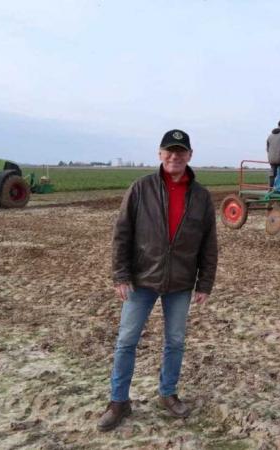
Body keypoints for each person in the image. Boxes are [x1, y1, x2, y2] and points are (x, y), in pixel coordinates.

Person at [98, 129, 218, 432]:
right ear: (160, 154)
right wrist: (121, 275)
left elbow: (209, 244)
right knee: (126, 341)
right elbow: (122, 234)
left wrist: (204, 284)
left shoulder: (201, 197)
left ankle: (167, 393)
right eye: (169, 151)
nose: (175, 156)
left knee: (175, 341)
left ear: (190, 156)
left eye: (181, 151)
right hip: (141, 280)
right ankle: (118, 401)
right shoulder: (141, 189)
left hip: (180, 282)